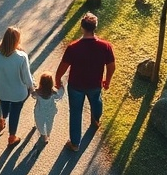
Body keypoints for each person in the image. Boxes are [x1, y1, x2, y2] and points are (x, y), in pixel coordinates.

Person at [55, 12, 115, 152]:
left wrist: (57, 79)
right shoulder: (105, 46)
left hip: (76, 86)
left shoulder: (73, 47)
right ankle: (95, 120)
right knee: (96, 101)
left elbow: (63, 67)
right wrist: (107, 80)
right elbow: (111, 66)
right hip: (95, 84)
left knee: (75, 112)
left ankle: (75, 144)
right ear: (95, 27)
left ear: (82, 27)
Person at [0, 26, 35, 147]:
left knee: (4, 103)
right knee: (15, 111)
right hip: (18, 93)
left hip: (2, 90)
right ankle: (12, 137)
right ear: (17, 41)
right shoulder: (21, 57)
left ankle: (2, 120)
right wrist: (32, 88)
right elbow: (27, 78)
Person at [32, 72, 64, 145]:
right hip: (50, 111)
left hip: (39, 111)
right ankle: (48, 133)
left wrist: (33, 87)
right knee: (49, 123)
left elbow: (33, 95)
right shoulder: (53, 93)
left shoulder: (38, 92)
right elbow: (59, 95)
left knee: (39, 122)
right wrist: (61, 87)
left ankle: (43, 134)